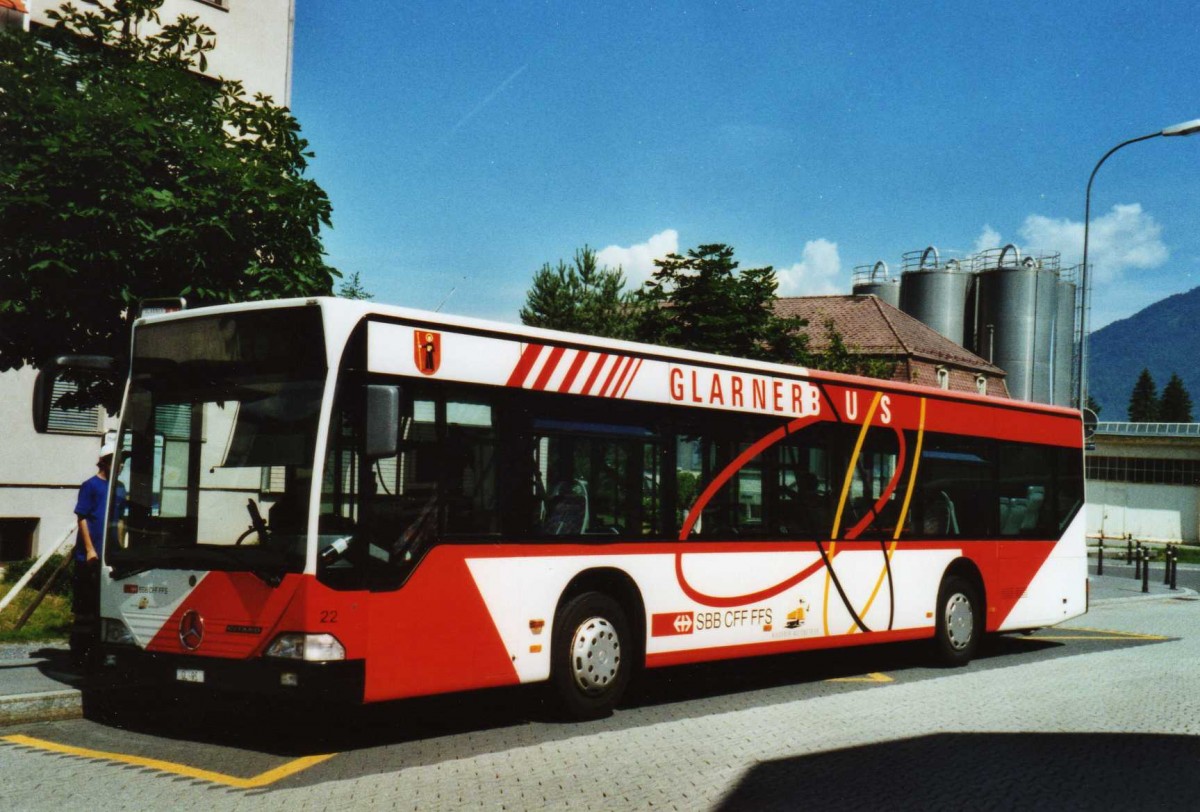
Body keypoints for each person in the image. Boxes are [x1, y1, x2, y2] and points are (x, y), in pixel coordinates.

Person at [70, 440, 126, 668]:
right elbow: (82, 517)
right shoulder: (91, 486)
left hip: (109, 556)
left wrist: (121, 546)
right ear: (104, 462)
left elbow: (120, 520)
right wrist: (90, 548)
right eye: (115, 461)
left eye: (121, 462)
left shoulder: (120, 488)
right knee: (86, 606)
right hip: (90, 556)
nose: (120, 466)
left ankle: (102, 653)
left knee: (105, 606)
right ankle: (81, 653)